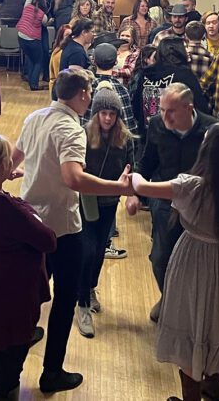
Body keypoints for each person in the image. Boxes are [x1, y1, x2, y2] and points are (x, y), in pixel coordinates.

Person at [12, 69, 133, 393]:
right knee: (64, 299)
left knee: (28, 295)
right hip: (63, 228)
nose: (91, 98)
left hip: (30, 219)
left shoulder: (35, 117)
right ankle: (51, 373)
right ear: (80, 94)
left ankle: (9, 372)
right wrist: (116, 187)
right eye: (89, 92)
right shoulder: (72, 129)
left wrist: (26, 172)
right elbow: (73, 178)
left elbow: (13, 159)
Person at [129, 123, 219, 401]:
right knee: (213, 326)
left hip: (192, 259)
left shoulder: (192, 186)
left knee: (188, 325)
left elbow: (143, 186)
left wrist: (134, 173)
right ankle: (214, 389)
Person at [0, 135, 56, 400]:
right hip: (12, 293)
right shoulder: (7, 207)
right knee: (11, 364)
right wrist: (24, 207)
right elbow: (48, 240)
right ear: (4, 165)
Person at [125, 83, 218, 323]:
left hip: (198, 207)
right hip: (164, 200)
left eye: (171, 111)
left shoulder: (211, 130)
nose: (164, 116)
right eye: (162, 110)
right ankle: (169, 298)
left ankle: (189, 308)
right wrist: (134, 193)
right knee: (160, 257)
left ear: (189, 108)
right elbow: (146, 161)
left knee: (195, 262)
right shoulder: (157, 124)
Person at [75, 82, 137, 338]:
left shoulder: (126, 139)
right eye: (103, 113)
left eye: (112, 114)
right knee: (87, 251)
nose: (108, 118)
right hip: (86, 201)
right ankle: (82, 305)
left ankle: (90, 288)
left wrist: (132, 192)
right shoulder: (84, 135)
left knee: (100, 250)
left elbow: (132, 167)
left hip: (110, 203)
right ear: (96, 113)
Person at [132, 37, 210, 133]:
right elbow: (200, 107)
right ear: (177, 50)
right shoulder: (185, 75)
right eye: (185, 47)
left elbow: (136, 106)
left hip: (149, 133)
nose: (188, 51)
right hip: (177, 137)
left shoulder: (146, 73)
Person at [82, 43, 138, 134]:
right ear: (116, 62)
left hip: (85, 142)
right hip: (114, 144)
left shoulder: (85, 87)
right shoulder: (121, 90)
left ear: (94, 61)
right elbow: (129, 128)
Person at [16, 0, 58, 91]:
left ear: (35, 1)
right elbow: (45, 24)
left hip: (21, 36)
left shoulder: (27, 6)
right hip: (33, 40)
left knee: (30, 58)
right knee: (38, 61)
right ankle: (34, 85)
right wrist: (51, 21)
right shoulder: (43, 15)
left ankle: (30, 79)